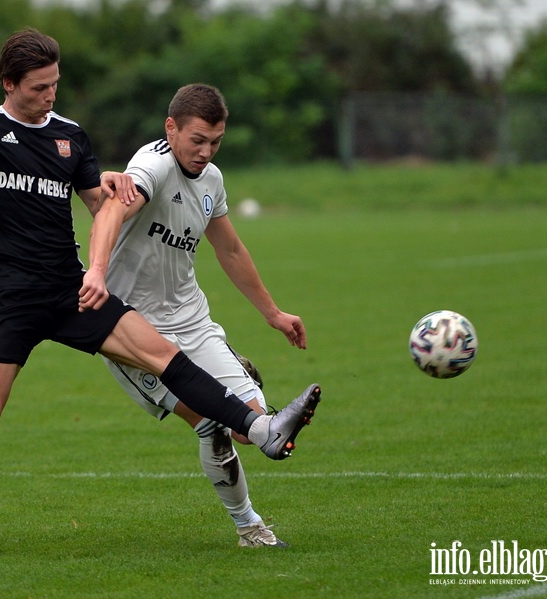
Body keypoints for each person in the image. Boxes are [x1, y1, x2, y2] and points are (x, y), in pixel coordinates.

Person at [0, 29, 320, 557]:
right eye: (38, 87)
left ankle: (260, 428)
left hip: (70, 291)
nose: (49, 95)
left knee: (163, 354)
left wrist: (112, 191)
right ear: (9, 84)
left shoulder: (70, 137)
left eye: (55, 84)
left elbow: (99, 207)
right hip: (10, 297)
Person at [88, 84, 322, 548]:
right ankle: (250, 527)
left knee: (256, 426)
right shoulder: (152, 165)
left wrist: (273, 313)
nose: (206, 151)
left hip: (193, 320)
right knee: (215, 424)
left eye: (215, 141)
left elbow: (230, 248)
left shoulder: (211, 179)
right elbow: (113, 209)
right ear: (170, 128)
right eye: (197, 139)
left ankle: (262, 421)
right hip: (132, 330)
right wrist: (96, 270)